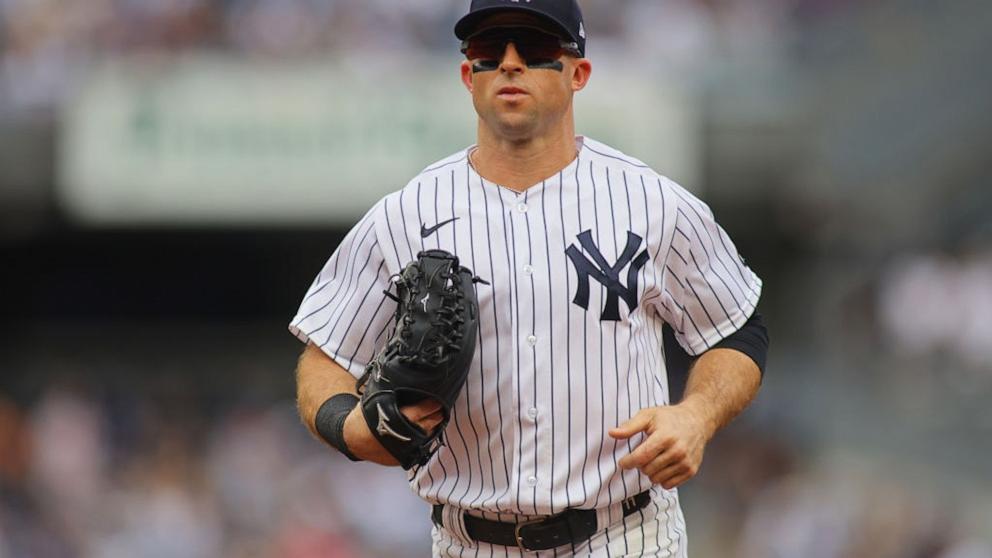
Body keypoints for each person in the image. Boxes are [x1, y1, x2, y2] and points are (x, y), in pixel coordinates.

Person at [290, 1, 769, 555]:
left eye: (536, 49)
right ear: (469, 76)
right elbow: (323, 357)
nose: (511, 65)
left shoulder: (653, 204)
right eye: (491, 52)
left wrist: (696, 415)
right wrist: (349, 427)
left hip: (626, 534)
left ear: (578, 73)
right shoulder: (404, 216)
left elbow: (736, 329)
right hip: (470, 540)